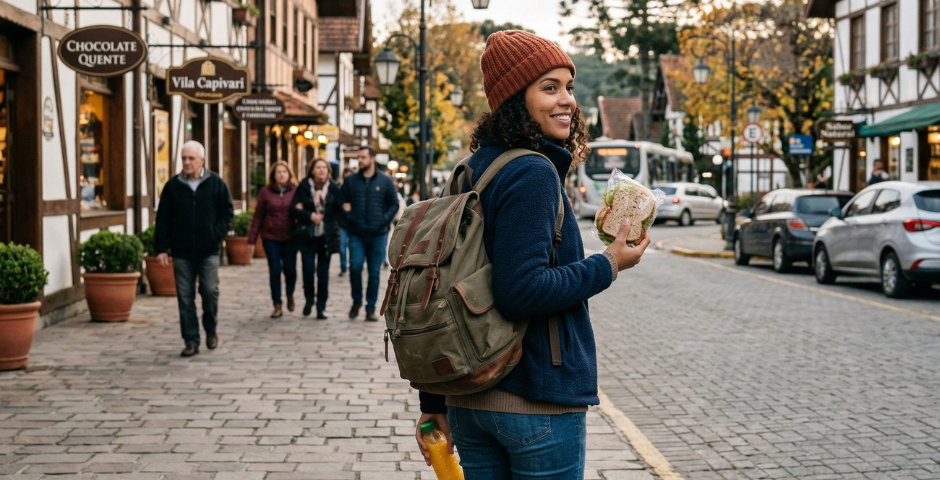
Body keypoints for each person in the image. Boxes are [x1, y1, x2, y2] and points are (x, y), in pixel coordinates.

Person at [413, 30, 650, 479]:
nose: (566, 101)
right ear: (514, 99)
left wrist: (433, 405)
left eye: (569, 87)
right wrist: (611, 262)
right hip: (534, 399)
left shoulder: (471, 171)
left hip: (468, 402)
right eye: (548, 87)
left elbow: (437, 290)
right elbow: (522, 290)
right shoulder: (533, 171)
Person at [154, 141, 234, 357]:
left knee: (209, 291)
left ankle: (210, 327)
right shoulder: (172, 186)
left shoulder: (216, 183)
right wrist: (161, 248)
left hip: (208, 250)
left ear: (202, 160)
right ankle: (191, 340)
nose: (187, 162)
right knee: (184, 297)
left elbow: (227, 214)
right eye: (184, 158)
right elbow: (162, 219)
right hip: (182, 251)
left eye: (191, 158)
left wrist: (214, 235)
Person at [340, 147, 399, 322]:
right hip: (356, 234)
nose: (359, 160)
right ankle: (357, 301)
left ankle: (370, 308)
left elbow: (394, 203)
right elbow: (341, 202)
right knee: (355, 268)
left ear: (372, 159)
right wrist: (349, 217)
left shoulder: (385, 180)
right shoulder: (351, 181)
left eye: (363, 157)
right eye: (358, 157)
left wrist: (384, 219)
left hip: (378, 234)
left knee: (374, 273)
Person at [291, 158, 342, 319]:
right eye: (318, 167)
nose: (321, 170)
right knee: (307, 271)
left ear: (328, 171)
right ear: (312, 170)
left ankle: (321, 307)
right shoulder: (303, 186)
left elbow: (339, 209)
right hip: (307, 235)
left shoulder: (335, 188)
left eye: (324, 168)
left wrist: (326, 215)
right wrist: (310, 215)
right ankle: (308, 300)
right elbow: (293, 208)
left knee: (323, 274)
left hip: (326, 236)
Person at [247, 161, 298, 318]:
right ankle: (277, 304)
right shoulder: (265, 192)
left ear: (289, 174)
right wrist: (251, 240)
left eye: (284, 171)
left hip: (291, 237)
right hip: (270, 238)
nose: (281, 174)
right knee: (275, 270)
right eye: (278, 172)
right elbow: (258, 217)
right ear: (273, 176)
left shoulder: (296, 191)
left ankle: (289, 294)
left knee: (290, 271)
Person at [338, 167, 354, 277]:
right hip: (342, 222)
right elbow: (338, 204)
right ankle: (344, 267)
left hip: (353, 223)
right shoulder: (340, 188)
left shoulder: (357, 187)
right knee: (342, 245)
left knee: (353, 246)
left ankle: (353, 265)